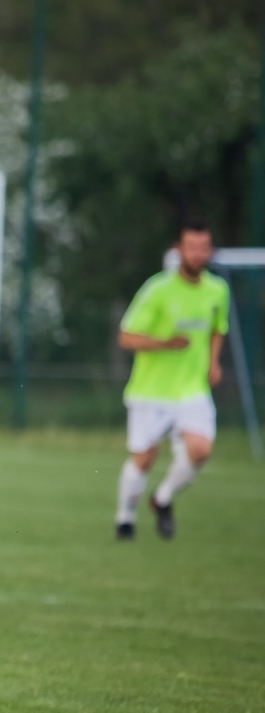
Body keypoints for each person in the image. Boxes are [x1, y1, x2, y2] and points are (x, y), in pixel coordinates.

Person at [113, 220, 229, 540]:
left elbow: (218, 328)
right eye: (191, 248)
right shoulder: (157, 290)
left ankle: (162, 498)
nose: (197, 254)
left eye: (203, 248)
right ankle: (125, 518)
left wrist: (213, 361)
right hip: (151, 390)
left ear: (210, 251)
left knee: (201, 449)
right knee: (144, 458)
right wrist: (165, 344)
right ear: (178, 251)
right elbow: (126, 337)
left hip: (192, 389)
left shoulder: (218, 290)